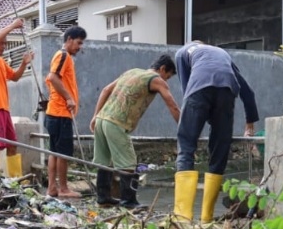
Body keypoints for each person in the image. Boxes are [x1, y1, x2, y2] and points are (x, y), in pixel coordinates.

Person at [174, 41, 258, 223]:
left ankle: (182, 218)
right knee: (220, 149)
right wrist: (249, 123)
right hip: (227, 91)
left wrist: (194, 118)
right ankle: (206, 218)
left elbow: (187, 89)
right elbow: (248, 92)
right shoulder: (222, 55)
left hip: (197, 90)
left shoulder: (182, 53)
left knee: (186, 146)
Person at [90, 54, 181, 208]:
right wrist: (184, 130)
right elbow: (173, 106)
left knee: (104, 162)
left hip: (101, 120)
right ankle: (128, 201)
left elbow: (105, 90)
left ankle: (103, 198)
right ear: (163, 69)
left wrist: (95, 116)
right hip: (116, 123)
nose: (166, 81)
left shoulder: (132, 72)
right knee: (129, 163)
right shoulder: (156, 80)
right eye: (168, 76)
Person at [0, 19, 33, 176]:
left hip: (3, 109)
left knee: (12, 145)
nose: (3, 46)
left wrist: (24, 64)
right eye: (1, 43)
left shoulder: (1, 62)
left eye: (5, 44)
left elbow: (15, 77)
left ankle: (16, 180)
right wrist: (12, 26)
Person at [44, 26, 87, 198]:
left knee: (55, 152)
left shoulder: (62, 56)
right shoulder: (63, 55)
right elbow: (53, 77)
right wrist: (69, 98)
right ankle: (63, 188)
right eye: (78, 42)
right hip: (60, 113)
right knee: (62, 153)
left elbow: (51, 79)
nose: (79, 47)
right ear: (69, 39)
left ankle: (52, 188)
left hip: (55, 112)